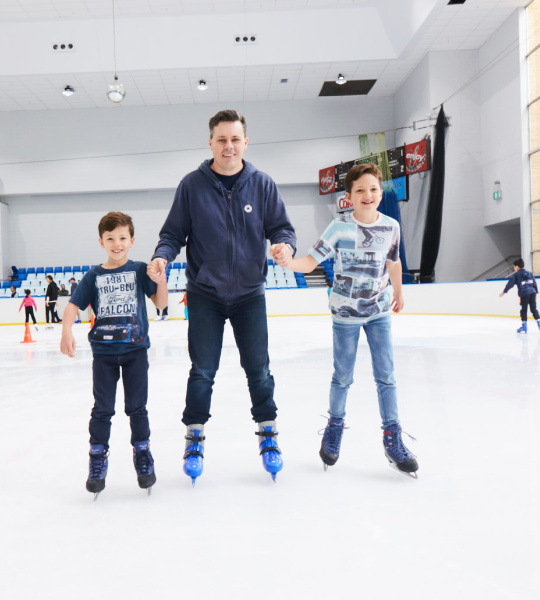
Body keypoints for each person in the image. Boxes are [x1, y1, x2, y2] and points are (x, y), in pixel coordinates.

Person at [148, 109, 296, 483]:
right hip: (205, 296)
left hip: (249, 295)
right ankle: (194, 437)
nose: (228, 146)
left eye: (235, 139)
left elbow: (282, 228)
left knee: (258, 370)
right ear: (210, 142)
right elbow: (172, 234)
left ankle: (268, 433)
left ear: (245, 142)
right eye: (221, 139)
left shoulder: (262, 184)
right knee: (202, 372)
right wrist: (162, 257)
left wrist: (283, 246)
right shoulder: (191, 186)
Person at [278, 163, 417, 477]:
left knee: (387, 376)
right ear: (349, 196)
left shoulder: (392, 226)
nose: (367, 195)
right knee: (343, 376)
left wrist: (398, 291)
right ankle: (335, 427)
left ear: (380, 193)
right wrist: (288, 262)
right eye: (360, 190)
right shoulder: (339, 228)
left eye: (373, 189)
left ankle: (392, 436)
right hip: (345, 315)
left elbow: (393, 262)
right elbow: (311, 261)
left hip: (379, 311)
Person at [61, 211, 168, 497]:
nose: (116, 243)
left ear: (132, 240)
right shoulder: (94, 275)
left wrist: (161, 279)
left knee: (137, 407)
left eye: (122, 238)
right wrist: (66, 331)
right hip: (104, 354)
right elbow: (73, 306)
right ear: (101, 242)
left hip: (135, 351)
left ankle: (143, 454)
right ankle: (97, 457)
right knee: (103, 409)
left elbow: (160, 303)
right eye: (110, 238)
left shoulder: (139, 269)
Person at [499, 258, 540, 333]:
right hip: (532, 292)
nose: (514, 268)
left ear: (516, 266)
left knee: (524, 310)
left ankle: (524, 326)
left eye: (514, 266)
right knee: (533, 309)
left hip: (524, 293)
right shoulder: (529, 273)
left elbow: (510, 284)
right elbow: (534, 282)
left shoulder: (516, 275)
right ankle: (539, 323)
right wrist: (536, 292)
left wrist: (504, 291)